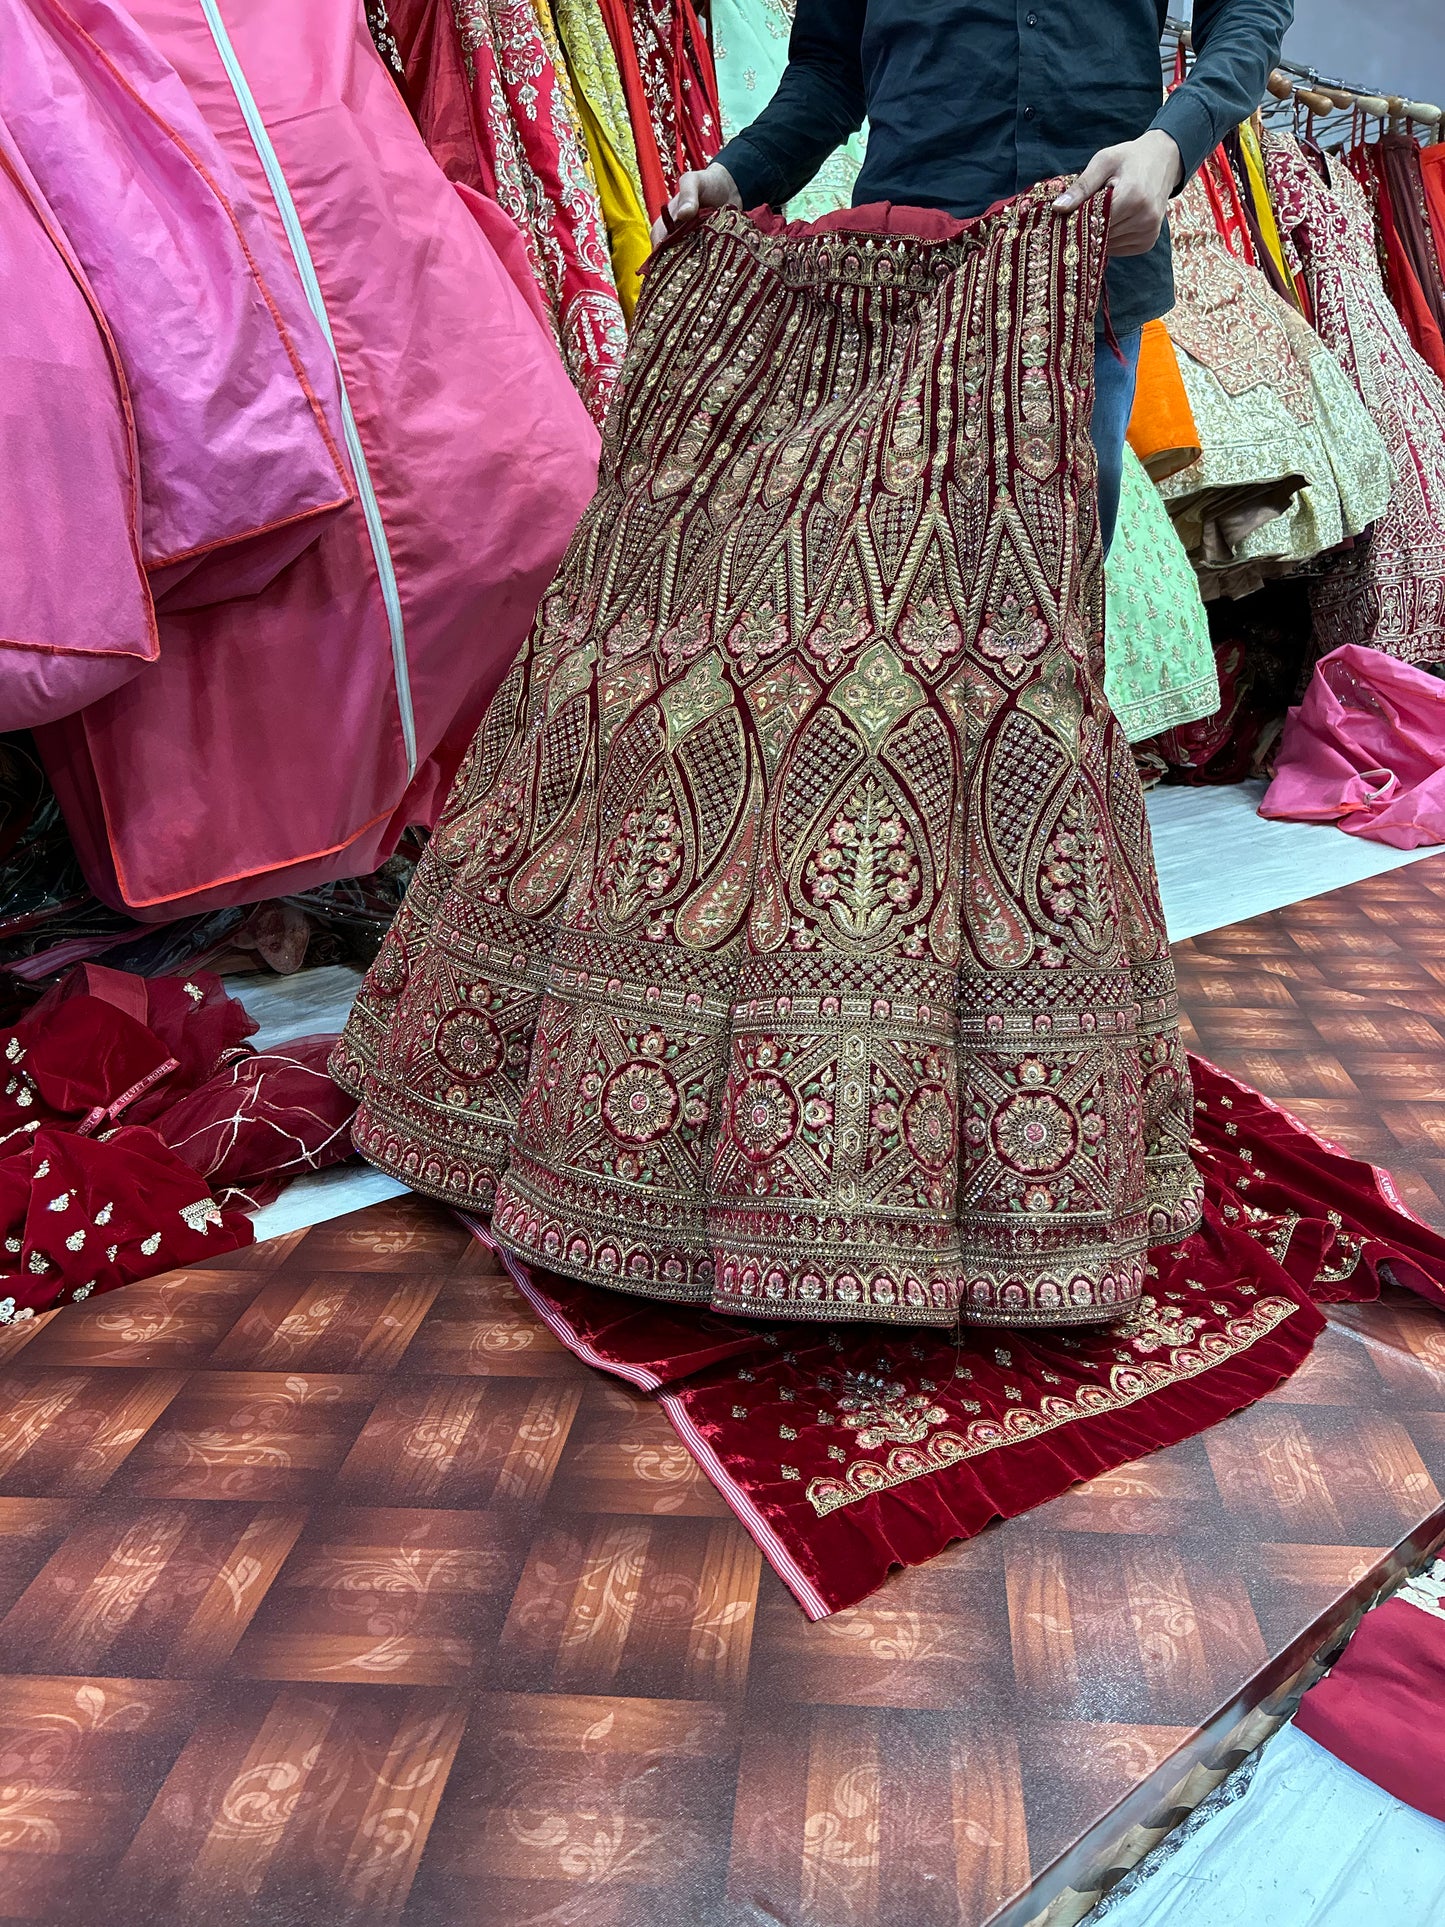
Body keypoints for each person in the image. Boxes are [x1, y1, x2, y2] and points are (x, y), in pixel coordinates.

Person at [655, 0, 1294, 551]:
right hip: (900, 291)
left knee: (1049, 601)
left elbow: (1249, 11)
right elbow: (830, 67)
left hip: (1082, 283)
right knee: (870, 589)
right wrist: (738, 175)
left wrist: (1171, 144)